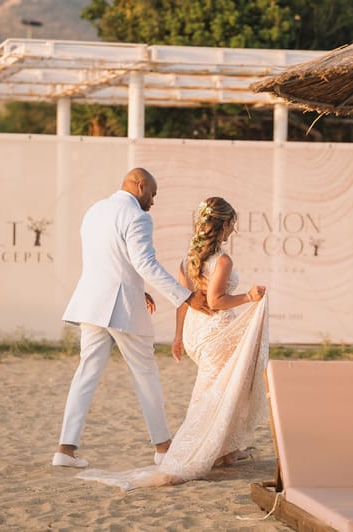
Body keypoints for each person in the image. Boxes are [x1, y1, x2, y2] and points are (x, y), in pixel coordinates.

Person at [77, 196, 268, 490]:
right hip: (216, 332)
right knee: (223, 391)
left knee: (217, 390)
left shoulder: (188, 260)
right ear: (223, 225)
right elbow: (216, 301)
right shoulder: (223, 261)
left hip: (195, 333)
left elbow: (183, 301)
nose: (234, 229)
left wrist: (179, 336)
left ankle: (225, 450)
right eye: (232, 223)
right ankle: (213, 451)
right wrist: (248, 297)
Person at [52, 167, 211, 469]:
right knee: (145, 373)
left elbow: (109, 261)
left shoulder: (94, 211)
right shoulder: (138, 217)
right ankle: (163, 447)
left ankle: (65, 449)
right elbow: (145, 263)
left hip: (92, 304)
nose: (153, 201)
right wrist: (186, 296)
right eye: (152, 194)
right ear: (140, 186)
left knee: (86, 373)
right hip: (121, 308)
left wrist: (139, 289)